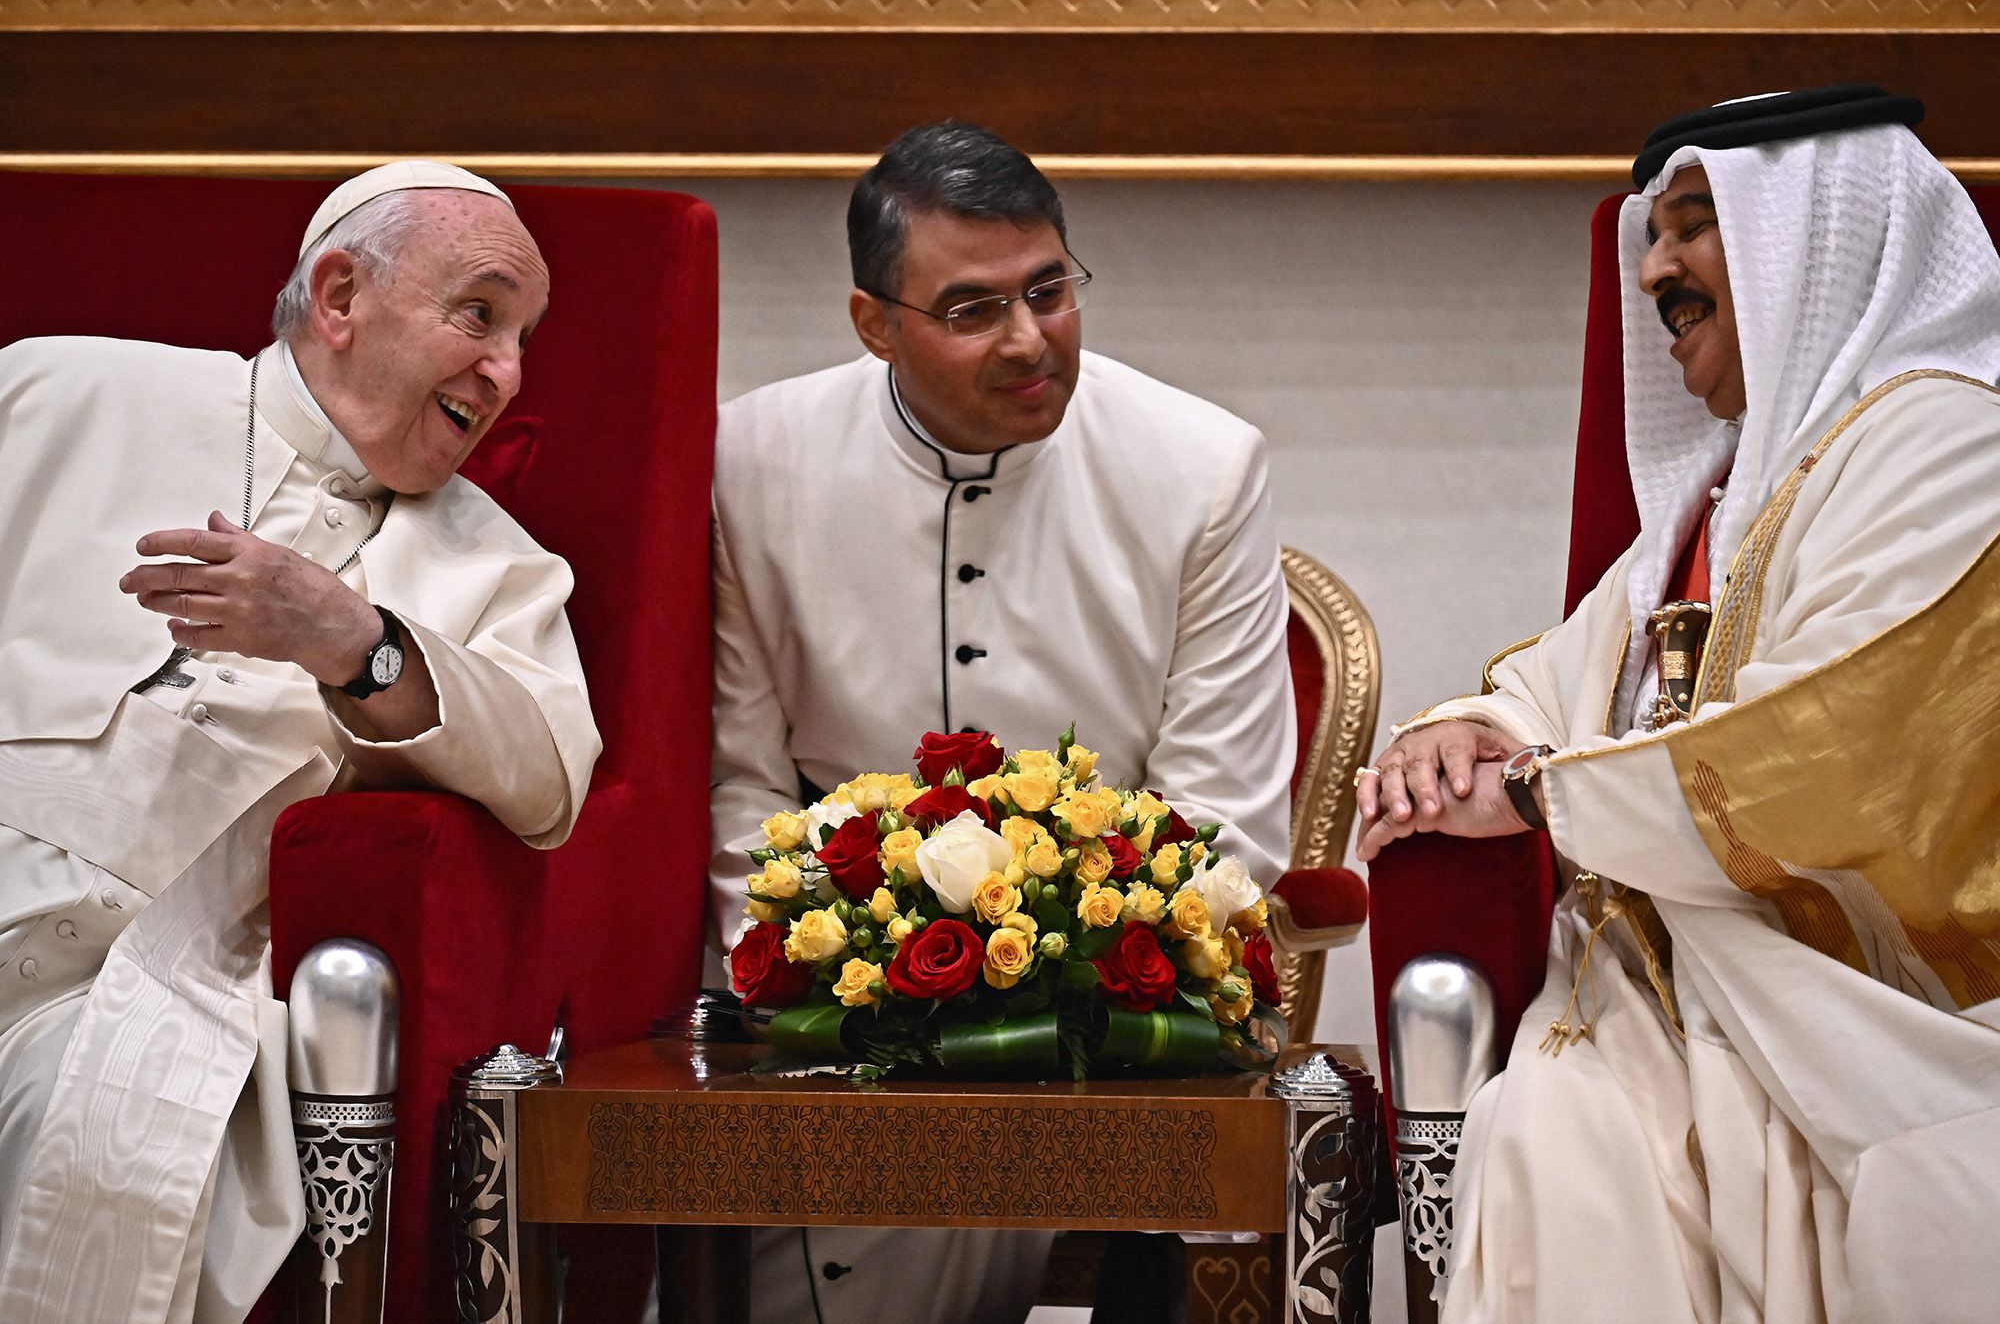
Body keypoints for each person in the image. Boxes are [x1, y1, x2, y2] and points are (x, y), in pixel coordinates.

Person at [1355, 86, 2000, 1321]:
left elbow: (1824, 745)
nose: (1652, 268)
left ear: (1814, 240)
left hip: (1873, 1000)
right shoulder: (1718, 496)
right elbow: (1562, 680)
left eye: (1694, 225)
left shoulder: (1945, 447)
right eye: (1650, 234)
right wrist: (1469, 731)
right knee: (1556, 1138)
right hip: (1668, 985)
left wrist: (1541, 794)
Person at [708, 121, 1295, 1323]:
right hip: (823, 1000)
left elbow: (1218, 818)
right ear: (875, 324)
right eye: (972, 310)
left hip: (1100, 1004)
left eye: (1049, 289)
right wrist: (811, 980)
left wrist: (1033, 998)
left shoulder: (1201, 468)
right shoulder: (746, 460)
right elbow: (738, 783)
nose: (1030, 340)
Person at [0, 160, 600, 1322]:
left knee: (88, 1137)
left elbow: (546, 780)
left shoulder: (499, 566)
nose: (508, 372)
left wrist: (357, 641)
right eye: (479, 314)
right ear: (338, 295)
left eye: (523, 336)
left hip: (131, 979)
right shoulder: (57, 391)